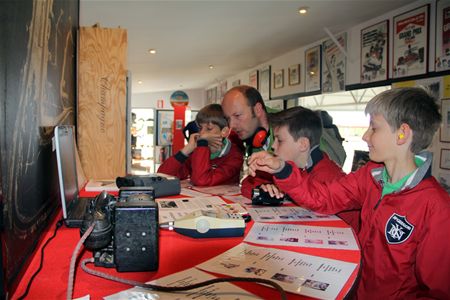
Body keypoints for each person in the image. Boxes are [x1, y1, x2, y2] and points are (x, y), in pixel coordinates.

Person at [247, 87, 450, 298]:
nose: (365, 136)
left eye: (374, 128)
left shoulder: (436, 207)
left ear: (402, 134)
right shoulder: (370, 176)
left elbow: (438, 291)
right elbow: (321, 198)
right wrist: (282, 168)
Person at [253, 106, 360, 231]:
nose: (273, 146)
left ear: (303, 144)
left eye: (279, 140)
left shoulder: (328, 178)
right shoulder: (302, 170)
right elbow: (247, 184)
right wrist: (265, 188)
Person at [158, 104, 243, 186]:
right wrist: (186, 150)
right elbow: (162, 175)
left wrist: (202, 143)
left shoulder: (235, 156)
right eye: (200, 128)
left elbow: (201, 180)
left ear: (224, 132)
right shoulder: (198, 151)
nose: (202, 133)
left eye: (209, 129)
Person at [221, 85, 277, 198]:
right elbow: (250, 182)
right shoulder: (253, 136)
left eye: (237, 115)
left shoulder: (293, 127)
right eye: (228, 119)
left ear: (257, 110)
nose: (232, 125)